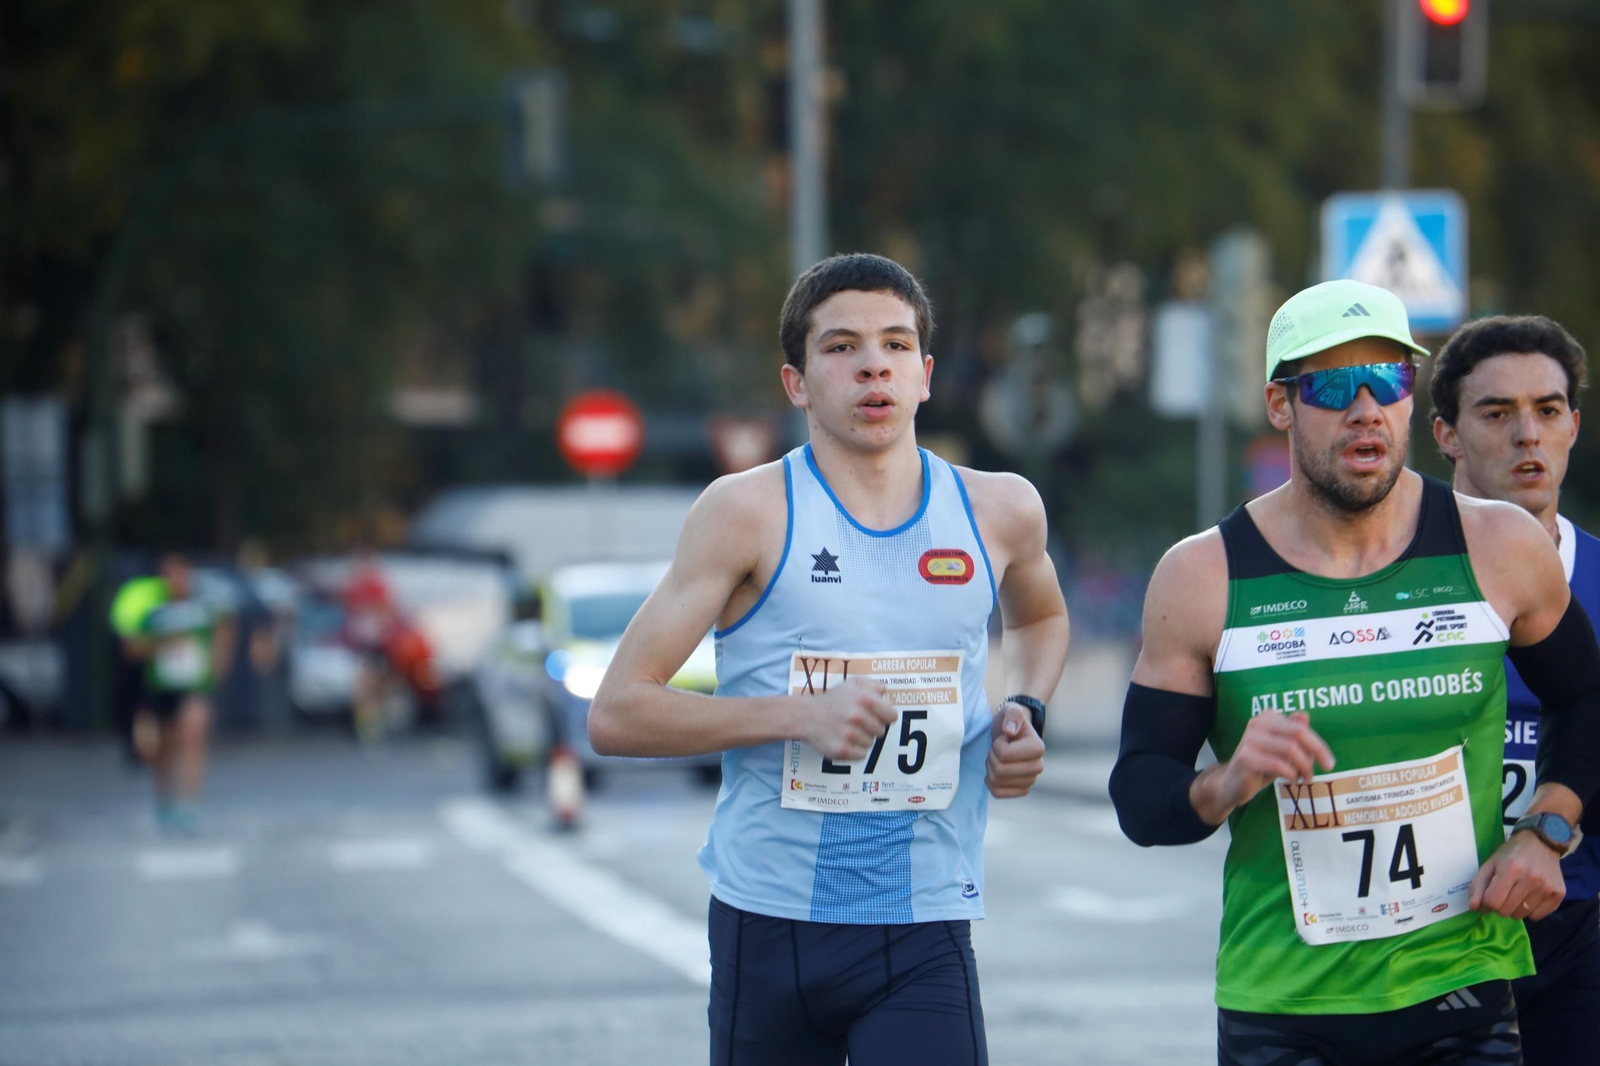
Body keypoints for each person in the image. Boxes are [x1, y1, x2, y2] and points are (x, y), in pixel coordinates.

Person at [588, 253, 1070, 1066]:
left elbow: (1044, 615)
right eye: (842, 346)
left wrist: (1027, 708)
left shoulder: (1000, 509)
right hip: (769, 920)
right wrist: (796, 715)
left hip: (924, 919)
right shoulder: (745, 512)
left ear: (923, 374)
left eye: (894, 344)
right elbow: (616, 711)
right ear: (798, 383)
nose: (872, 363)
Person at [1109, 279, 1600, 1064]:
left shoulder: (1498, 547)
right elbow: (1140, 792)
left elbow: (1586, 695)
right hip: (1283, 1001)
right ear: (1281, 405)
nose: (1366, 407)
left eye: (1390, 380)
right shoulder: (1204, 576)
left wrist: (1548, 828)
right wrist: (1224, 782)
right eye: (1334, 385)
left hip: (1458, 989)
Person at [1430, 314, 1600, 1065]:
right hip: (1426, 936)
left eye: (1548, 410)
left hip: (1583, 930)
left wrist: (1551, 832)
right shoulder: (1388, 586)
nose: (1527, 434)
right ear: (1446, 435)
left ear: (1573, 426)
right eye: (1498, 414)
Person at [111, 553, 235, 834]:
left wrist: (220, 658)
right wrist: (165, 643)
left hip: (194, 686)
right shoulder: (152, 608)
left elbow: (226, 625)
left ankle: (190, 803)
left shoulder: (204, 605)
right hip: (161, 687)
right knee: (164, 749)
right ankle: (165, 799)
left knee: (193, 738)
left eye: (181, 574)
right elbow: (131, 648)